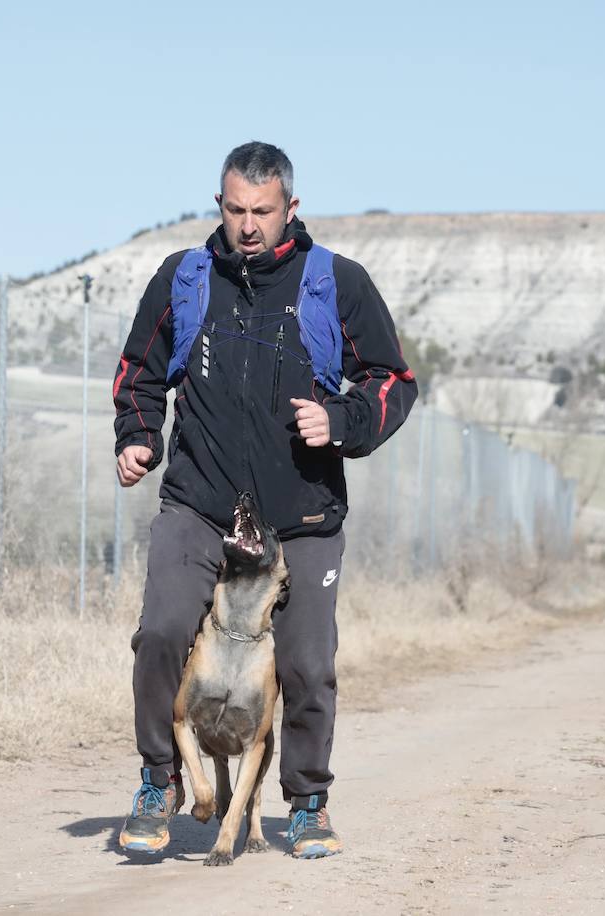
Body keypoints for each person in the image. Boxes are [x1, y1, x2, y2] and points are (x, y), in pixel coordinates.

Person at [113, 141, 417, 859]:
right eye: (234, 210)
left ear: (291, 208)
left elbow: (394, 380)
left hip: (301, 515)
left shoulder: (335, 284)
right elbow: (140, 370)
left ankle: (307, 802)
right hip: (200, 502)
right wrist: (136, 435)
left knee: (309, 664)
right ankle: (159, 781)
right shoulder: (184, 279)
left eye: (262, 211)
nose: (248, 225)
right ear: (219, 205)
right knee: (159, 634)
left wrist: (342, 423)